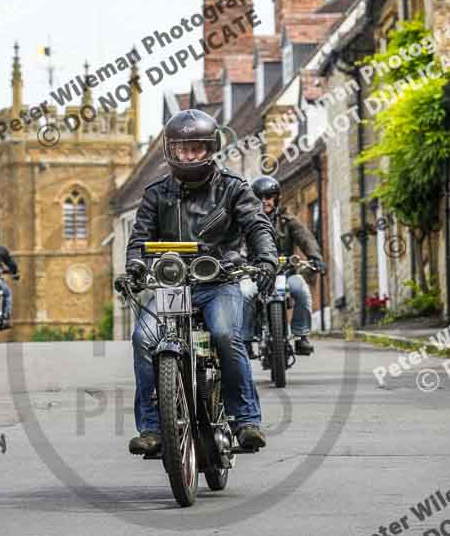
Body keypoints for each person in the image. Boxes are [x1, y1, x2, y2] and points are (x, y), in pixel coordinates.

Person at [116, 109, 278, 456]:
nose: (189, 155)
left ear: (210, 148)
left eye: (196, 148)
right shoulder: (157, 193)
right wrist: (134, 266)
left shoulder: (234, 188)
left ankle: (246, 420)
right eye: (182, 149)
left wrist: (265, 259)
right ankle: (151, 428)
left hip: (220, 280)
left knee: (225, 335)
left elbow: (257, 226)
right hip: (172, 285)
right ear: (171, 151)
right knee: (143, 340)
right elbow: (139, 240)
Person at [242, 176, 325, 356]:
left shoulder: (287, 220)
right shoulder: (246, 220)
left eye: (269, 197)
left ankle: (301, 336)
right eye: (260, 198)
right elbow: (237, 243)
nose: (265, 201)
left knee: (302, 290)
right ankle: (246, 340)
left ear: (277, 198)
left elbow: (305, 237)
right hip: (256, 274)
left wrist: (315, 257)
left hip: (285, 273)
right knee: (246, 294)